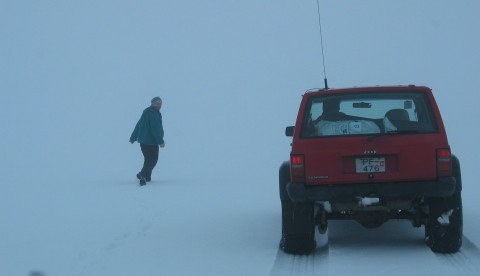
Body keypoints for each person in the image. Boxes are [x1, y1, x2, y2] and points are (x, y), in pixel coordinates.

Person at [130, 97, 165, 186]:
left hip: (144, 142)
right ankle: (142, 175)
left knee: (148, 159)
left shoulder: (147, 112)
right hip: (151, 142)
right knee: (152, 160)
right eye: (157, 103)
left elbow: (138, 124)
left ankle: (147, 176)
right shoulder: (153, 114)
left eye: (160, 103)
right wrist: (160, 141)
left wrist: (133, 137)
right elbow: (155, 129)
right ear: (152, 104)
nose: (159, 105)